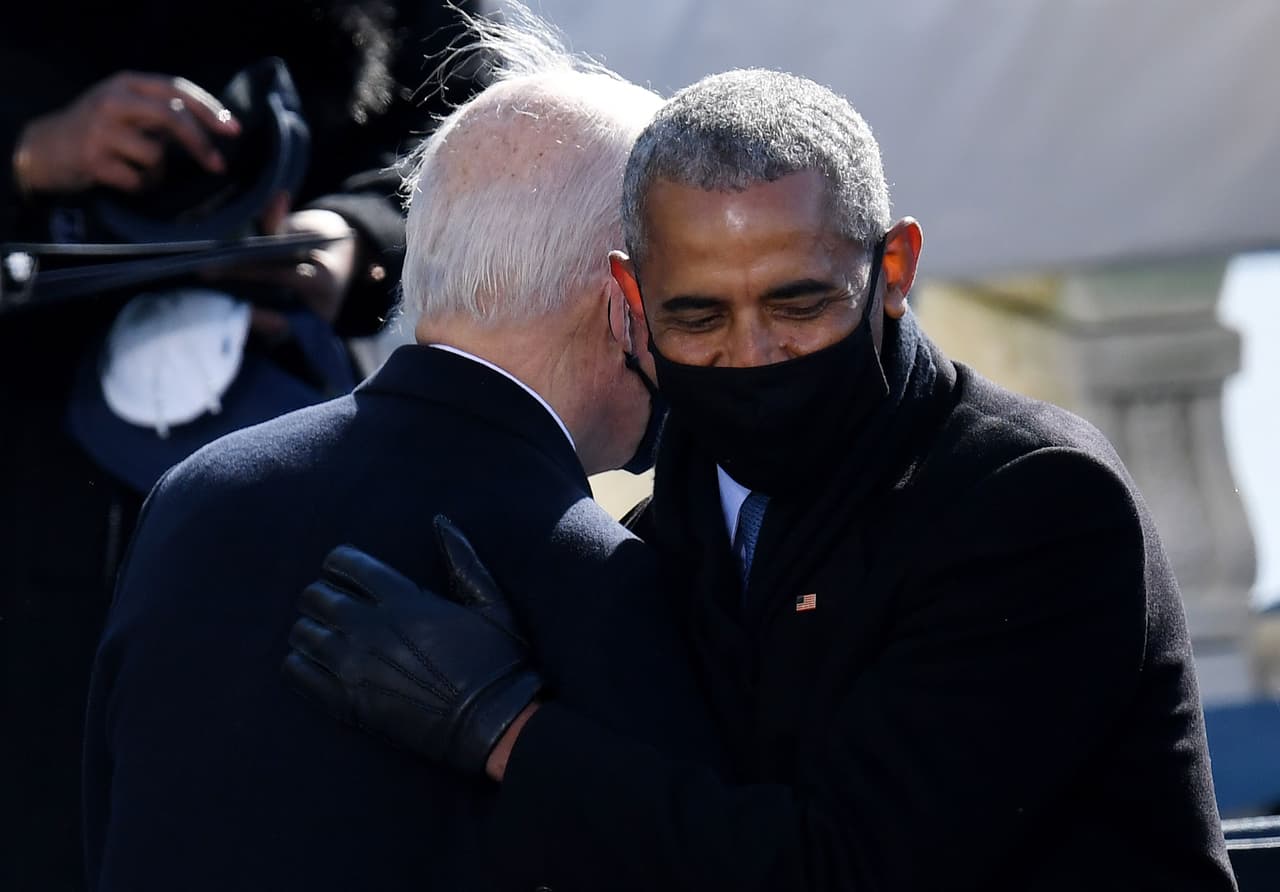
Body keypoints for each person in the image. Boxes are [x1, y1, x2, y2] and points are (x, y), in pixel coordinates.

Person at [286, 68, 1239, 890]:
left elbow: (849, 872)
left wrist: (503, 726)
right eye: (697, 317)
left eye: (799, 303)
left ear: (893, 268)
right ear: (630, 301)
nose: (752, 356)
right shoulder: (677, 519)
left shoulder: (1033, 502)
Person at [80, 12, 720, 891]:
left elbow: (110, 816)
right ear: (624, 303)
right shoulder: (606, 581)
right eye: (685, 294)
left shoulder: (198, 489)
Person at [0, 2, 477, 887]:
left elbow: (471, 127)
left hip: (304, 436)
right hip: (31, 454)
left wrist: (354, 237)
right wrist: (36, 146)